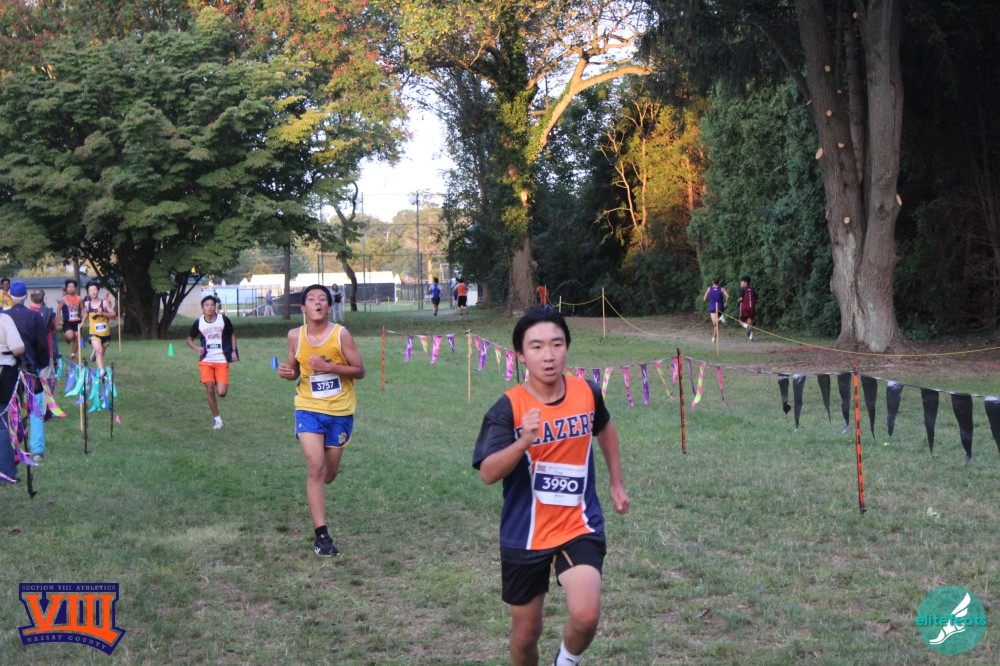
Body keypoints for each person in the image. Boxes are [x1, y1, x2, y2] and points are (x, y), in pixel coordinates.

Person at [472, 307, 630, 666]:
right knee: (526, 634)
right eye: (537, 346)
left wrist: (616, 483)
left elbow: (604, 427)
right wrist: (523, 441)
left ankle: (566, 661)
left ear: (567, 348)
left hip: (578, 523)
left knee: (586, 615)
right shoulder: (508, 408)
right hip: (525, 533)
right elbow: (488, 473)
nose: (549, 355)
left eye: (557, 344)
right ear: (520, 355)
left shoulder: (587, 391)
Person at [277, 284, 365, 557]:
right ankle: (322, 537)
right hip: (308, 408)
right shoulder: (295, 336)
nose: (317, 302)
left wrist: (329, 367)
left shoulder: (341, 335)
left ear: (328, 306)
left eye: (323, 299)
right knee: (315, 467)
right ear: (303, 308)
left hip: (340, 411)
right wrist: (288, 373)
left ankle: (323, 487)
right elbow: (295, 370)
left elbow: (360, 370)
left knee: (328, 475)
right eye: (312, 299)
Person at [5, 281, 49, 472]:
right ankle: (37, 449)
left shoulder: (4, 316)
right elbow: (42, 344)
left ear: (10, 296)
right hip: (30, 367)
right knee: (35, 407)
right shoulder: (34, 316)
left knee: (9, 407)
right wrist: (42, 363)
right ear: (25, 296)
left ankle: (11, 445)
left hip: (9, 368)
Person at [187, 295, 239, 429]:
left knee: (221, 393)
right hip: (206, 360)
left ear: (215, 307)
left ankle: (217, 380)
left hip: (221, 360)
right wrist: (196, 348)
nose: (210, 307)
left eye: (212, 305)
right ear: (202, 308)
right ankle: (217, 420)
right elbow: (189, 340)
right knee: (209, 388)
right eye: (207, 305)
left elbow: (232, 333)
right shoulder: (199, 322)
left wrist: (234, 350)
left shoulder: (223, 319)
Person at [27, 289, 58, 459]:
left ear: (31, 298)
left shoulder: (27, 314)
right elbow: (53, 329)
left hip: (31, 357)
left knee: (34, 387)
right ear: (43, 299)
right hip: (47, 354)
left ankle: (37, 410)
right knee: (46, 384)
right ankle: (45, 411)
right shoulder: (48, 313)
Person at [0, 309, 25, 481]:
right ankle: (5, 473)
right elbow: (17, 349)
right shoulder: (4, 320)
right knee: (2, 424)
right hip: (4, 373)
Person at [83, 281, 117, 373]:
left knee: (101, 353)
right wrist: (82, 323)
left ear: (98, 290)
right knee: (100, 350)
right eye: (91, 290)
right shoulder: (87, 304)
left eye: (95, 289)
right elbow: (86, 313)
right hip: (94, 332)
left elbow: (114, 315)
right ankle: (101, 370)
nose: (93, 292)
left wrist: (103, 313)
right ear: (88, 293)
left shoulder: (104, 303)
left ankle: (96, 352)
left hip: (105, 333)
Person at [57, 278, 84, 361]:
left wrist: (83, 316)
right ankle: (67, 338)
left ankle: (73, 354)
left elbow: (83, 308)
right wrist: (60, 319)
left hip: (77, 321)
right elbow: (58, 309)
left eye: (73, 287)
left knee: (78, 337)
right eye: (69, 287)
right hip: (67, 321)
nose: (71, 288)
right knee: (70, 336)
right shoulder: (64, 299)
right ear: (66, 288)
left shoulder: (79, 298)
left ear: (75, 288)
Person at [702, 276, 729, 344]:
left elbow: (704, 299)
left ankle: (720, 319)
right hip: (720, 307)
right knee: (716, 325)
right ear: (718, 282)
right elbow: (728, 296)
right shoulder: (721, 289)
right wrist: (726, 303)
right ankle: (713, 338)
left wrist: (709, 299)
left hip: (712, 307)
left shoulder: (709, 289)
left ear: (712, 282)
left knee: (715, 324)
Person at [737, 275, 758, 342]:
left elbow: (741, 299)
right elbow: (756, 299)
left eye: (742, 282)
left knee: (740, 322)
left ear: (745, 282)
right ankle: (751, 338)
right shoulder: (752, 290)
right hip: (752, 309)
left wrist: (738, 300)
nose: (741, 283)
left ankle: (747, 327)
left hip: (744, 308)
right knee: (750, 322)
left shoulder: (742, 289)